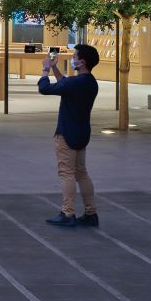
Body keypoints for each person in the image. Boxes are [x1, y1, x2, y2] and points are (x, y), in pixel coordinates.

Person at [38, 42, 102, 229]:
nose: (72, 59)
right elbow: (65, 84)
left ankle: (68, 213)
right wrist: (56, 67)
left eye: (75, 57)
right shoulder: (90, 82)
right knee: (81, 173)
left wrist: (45, 69)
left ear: (82, 62)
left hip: (66, 133)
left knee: (66, 173)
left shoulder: (75, 83)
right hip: (82, 133)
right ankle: (91, 213)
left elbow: (44, 88)